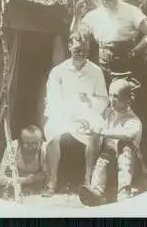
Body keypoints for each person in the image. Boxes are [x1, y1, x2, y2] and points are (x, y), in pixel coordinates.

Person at [41, 26, 109, 197]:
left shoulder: (96, 72)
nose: (81, 54)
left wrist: (89, 107)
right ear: (69, 47)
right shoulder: (58, 71)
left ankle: (89, 181)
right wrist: (68, 116)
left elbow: (103, 99)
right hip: (63, 115)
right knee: (52, 131)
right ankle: (52, 182)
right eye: (77, 49)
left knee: (95, 131)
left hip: (88, 115)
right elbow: (53, 100)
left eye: (85, 50)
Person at [78, 78, 144, 206]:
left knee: (124, 147)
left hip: (131, 167)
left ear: (127, 100)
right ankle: (96, 191)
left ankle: (124, 192)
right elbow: (96, 124)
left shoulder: (133, 120)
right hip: (110, 166)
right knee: (106, 152)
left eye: (116, 96)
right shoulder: (108, 114)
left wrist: (102, 131)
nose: (112, 99)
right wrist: (88, 126)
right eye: (110, 95)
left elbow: (128, 134)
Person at [81, 0, 147, 86]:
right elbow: (79, 34)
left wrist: (136, 51)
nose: (106, 0)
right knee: (103, 92)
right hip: (102, 61)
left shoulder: (131, 11)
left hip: (126, 59)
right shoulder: (93, 15)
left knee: (125, 93)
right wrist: (77, 17)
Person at [0, 125, 47, 198]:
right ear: (20, 142)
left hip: (34, 190)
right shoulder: (13, 148)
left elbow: (47, 178)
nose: (30, 147)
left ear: (40, 142)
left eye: (34, 143)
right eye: (27, 143)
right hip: (13, 187)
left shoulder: (43, 150)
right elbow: (0, 179)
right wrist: (27, 180)